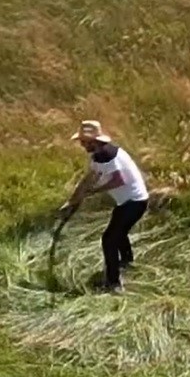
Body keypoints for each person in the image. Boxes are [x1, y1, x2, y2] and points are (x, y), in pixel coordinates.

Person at [60, 120, 149, 294]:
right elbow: (89, 178)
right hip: (127, 202)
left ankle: (114, 283)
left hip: (135, 202)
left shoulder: (109, 155)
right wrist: (72, 201)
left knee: (109, 240)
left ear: (95, 141)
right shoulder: (98, 156)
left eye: (85, 142)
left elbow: (119, 180)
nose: (82, 145)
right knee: (119, 232)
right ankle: (127, 262)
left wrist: (95, 191)